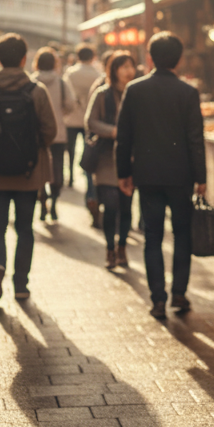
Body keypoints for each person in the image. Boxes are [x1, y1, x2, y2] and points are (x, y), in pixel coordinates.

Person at [116, 33, 207, 319]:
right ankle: (179, 292)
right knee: (182, 235)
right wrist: (200, 176)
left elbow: (124, 136)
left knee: (152, 237)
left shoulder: (135, 89)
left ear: (150, 57)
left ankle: (157, 298)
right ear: (179, 59)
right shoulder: (188, 92)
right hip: (181, 176)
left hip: (147, 175)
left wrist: (124, 173)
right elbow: (195, 139)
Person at [0, 34, 58, 301]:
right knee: (25, 229)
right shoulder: (36, 91)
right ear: (24, 59)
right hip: (29, 173)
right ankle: (21, 284)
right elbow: (50, 131)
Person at [86, 52, 138, 270]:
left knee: (126, 208)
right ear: (113, 70)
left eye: (130, 66)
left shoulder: (137, 94)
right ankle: (109, 248)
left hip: (131, 160)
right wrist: (114, 131)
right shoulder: (102, 94)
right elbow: (90, 122)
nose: (128, 71)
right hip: (106, 160)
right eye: (123, 66)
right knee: (110, 207)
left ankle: (122, 247)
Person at [34, 47, 77, 222]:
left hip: (37, 134)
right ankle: (54, 202)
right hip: (58, 132)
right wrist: (60, 115)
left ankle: (42, 198)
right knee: (57, 168)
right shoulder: (61, 82)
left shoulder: (32, 81)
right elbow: (70, 103)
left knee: (40, 168)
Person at [64, 45, 103, 209]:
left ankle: (71, 175)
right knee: (89, 151)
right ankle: (89, 183)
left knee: (71, 149)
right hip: (90, 119)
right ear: (92, 57)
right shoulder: (97, 74)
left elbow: (67, 97)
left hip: (72, 117)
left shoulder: (70, 73)